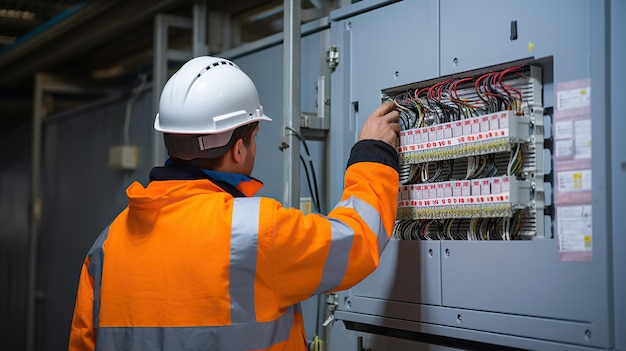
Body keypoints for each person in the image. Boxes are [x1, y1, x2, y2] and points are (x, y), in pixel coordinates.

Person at [68, 55, 400, 351]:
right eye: (254, 137)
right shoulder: (254, 232)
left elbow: (83, 342)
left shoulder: (107, 245)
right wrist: (372, 154)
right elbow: (358, 241)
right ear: (238, 149)